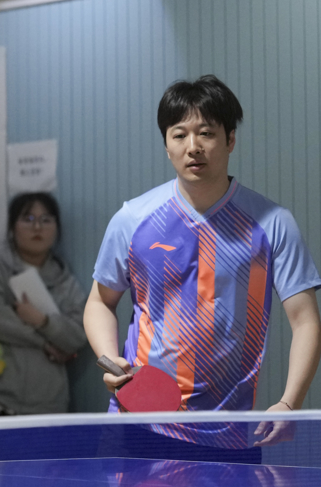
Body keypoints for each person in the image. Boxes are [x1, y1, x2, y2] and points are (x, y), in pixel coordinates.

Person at [84, 75, 321, 458]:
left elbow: (306, 321)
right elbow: (100, 301)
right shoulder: (132, 219)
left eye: (206, 133)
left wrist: (289, 402)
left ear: (230, 140)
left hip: (231, 432)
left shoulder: (272, 223)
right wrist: (111, 360)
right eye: (179, 135)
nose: (193, 146)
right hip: (139, 421)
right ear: (167, 145)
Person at [0, 192, 88, 415]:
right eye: (28, 219)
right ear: (12, 228)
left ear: (57, 228)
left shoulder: (64, 279)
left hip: (50, 402)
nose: (37, 227)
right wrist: (46, 343)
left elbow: (79, 335)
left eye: (46, 220)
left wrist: (43, 322)